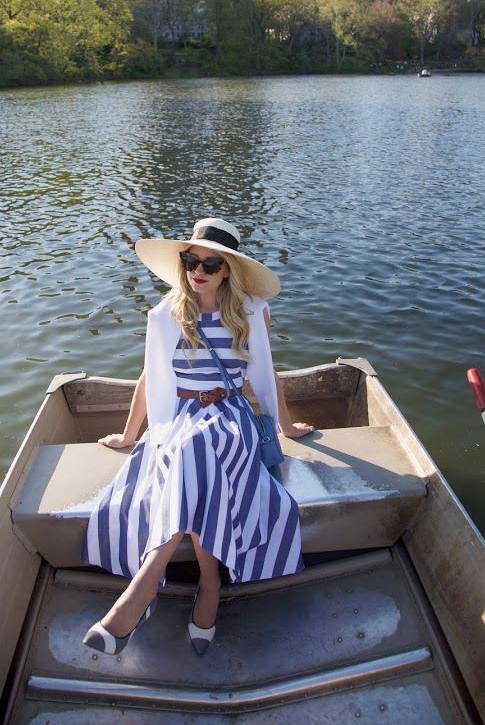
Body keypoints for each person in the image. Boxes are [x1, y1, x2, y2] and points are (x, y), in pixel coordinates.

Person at [83, 217, 313, 657]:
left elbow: (267, 374)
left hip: (232, 415)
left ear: (227, 269)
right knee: (192, 449)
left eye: (210, 263)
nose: (198, 271)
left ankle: (141, 591)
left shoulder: (251, 312)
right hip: (181, 416)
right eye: (191, 261)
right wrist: (129, 435)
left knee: (196, 447)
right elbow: (150, 378)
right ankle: (210, 585)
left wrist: (286, 426)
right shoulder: (166, 314)